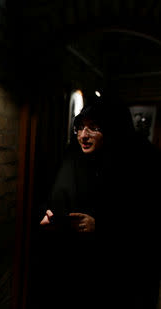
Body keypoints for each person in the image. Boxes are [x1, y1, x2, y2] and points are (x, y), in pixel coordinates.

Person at [37, 101, 160, 309]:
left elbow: (148, 225)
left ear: (113, 130)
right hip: (76, 271)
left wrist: (101, 227)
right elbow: (54, 197)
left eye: (93, 128)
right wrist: (48, 215)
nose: (83, 135)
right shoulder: (73, 155)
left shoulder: (143, 162)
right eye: (80, 127)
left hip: (119, 279)